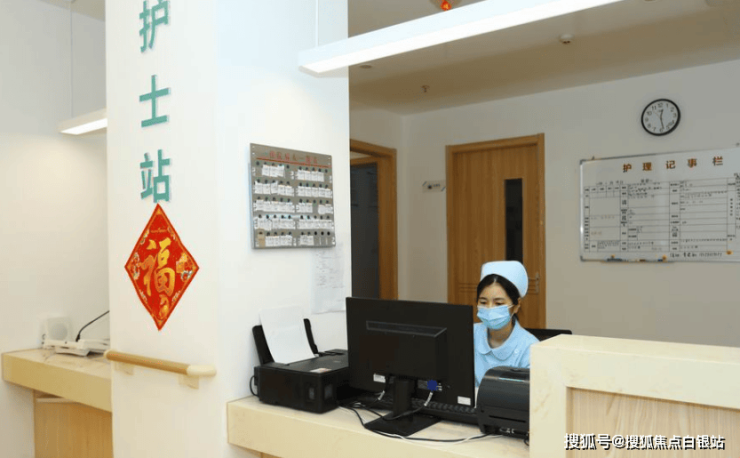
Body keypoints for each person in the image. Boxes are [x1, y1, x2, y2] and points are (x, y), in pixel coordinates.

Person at [474, 260, 539, 387]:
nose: (490, 308)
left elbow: (532, 394)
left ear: (516, 305)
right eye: (483, 302)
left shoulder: (530, 348)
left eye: (498, 303)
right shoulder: (468, 334)